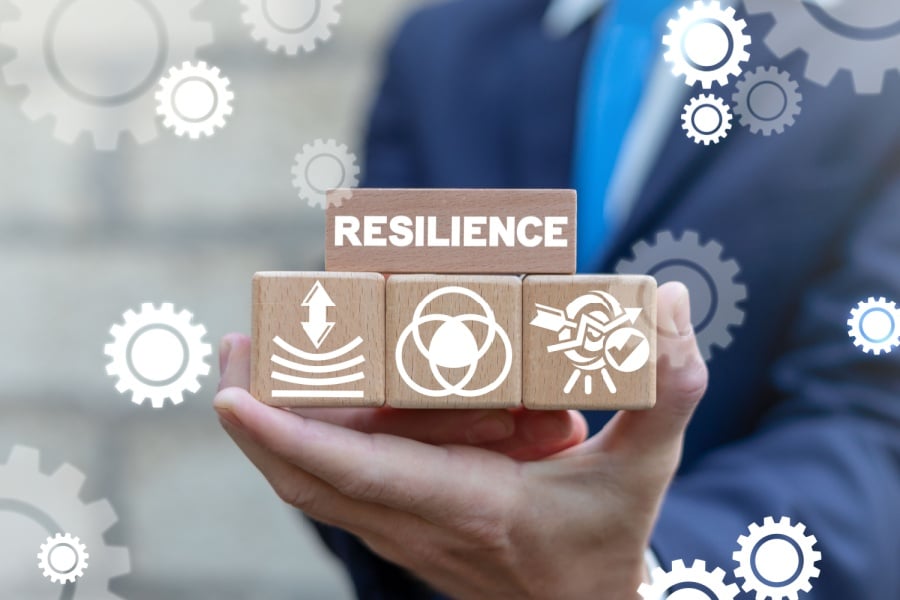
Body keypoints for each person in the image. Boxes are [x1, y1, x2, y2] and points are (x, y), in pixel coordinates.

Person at [214, 0, 900, 597]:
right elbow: (374, 310)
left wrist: (647, 572)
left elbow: (875, 417)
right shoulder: (439, 52)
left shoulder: (874, 56)